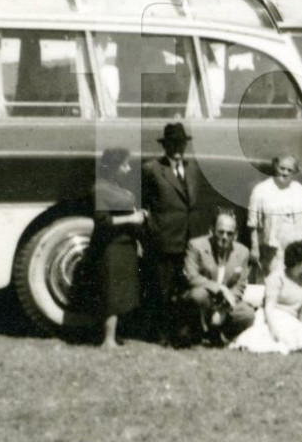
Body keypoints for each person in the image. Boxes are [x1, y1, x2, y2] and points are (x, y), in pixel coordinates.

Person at [141, 122, 210, 345]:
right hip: (165, 239)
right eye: (173, 143)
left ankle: (186, 333)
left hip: (191, 239)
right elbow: (143, 205)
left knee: (188, 287)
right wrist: (151, 231)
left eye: (181, 143)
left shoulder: (193, 168)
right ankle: (162, 334)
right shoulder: (152, 169)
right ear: (165, 145)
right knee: (163, 289)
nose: (178, 148)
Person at [230, 240, 302, 354]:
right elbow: (269, 308)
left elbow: (301, 314)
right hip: (271, 318)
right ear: (298, 260)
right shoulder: (277, 278)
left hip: (292, 321)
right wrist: (273, 329)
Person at [89, 147, 146, 350]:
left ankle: (114, 336)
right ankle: (108, 339)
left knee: (121, 292)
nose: (128, 168)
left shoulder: (115, 187)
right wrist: (131, 218)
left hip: (124, 246)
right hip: (111, 247)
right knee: (112, 294)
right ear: (114, 166)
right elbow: (102, 221)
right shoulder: (100, 189)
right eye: (125, 164)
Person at [181, 209, 254, 346]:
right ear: (211, 231)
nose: (225, 237)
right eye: (221, 232)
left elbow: (240, 286)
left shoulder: (243, 252)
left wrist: (224, 310)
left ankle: (219, 335)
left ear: (236, 235)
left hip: (225, 303)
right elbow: (191, 276)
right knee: (197, 295)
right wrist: (219, 288)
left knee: (248, 315)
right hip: (205, 297)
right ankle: (196, 332)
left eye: (229, 233)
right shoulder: (196, 245)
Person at [247, 153, 302, 277]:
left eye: (290, 170)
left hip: (296, 249)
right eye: (282, 168)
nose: (285, 173)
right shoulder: (261, 190)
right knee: (273, 280)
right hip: (272, 251)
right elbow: (252, 223)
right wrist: (254, 248)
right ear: (275, 167)